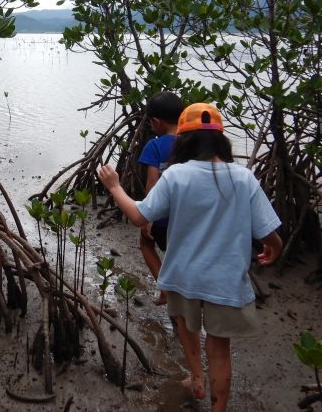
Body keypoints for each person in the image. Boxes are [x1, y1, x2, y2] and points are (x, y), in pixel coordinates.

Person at [97, 103, 283, 412]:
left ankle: (196, 378)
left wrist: (115, 186)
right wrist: (273, 246)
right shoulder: (243, 178)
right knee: (219, 349)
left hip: (182, 276)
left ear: (183, 141)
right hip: (225, 280)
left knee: (185, 326)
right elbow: (268, 232)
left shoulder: (176, 175)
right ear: (221, 141)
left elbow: (138, 215)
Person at [137, 91, 183, 305]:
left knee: (146, 244)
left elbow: (152, 185)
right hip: (187, 217)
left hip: (162, 219)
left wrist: (148, 217)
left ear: (155, 122)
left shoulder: (154, 146)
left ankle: (165, 288)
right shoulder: (193, 143)